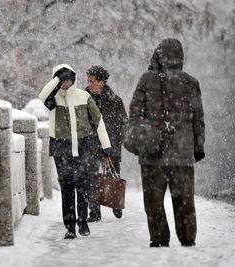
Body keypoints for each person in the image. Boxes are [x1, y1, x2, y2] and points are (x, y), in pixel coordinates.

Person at [128, 38, 205, 247]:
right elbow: (198, 119)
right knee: (185, 201)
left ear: (158, 54)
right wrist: (198, 147)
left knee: (153, 201)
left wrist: (143, 136)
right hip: (183, 152)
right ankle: (188, 238)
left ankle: (160, 238)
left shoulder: (146, 80)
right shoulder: (190, 82)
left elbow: (134, 113)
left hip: (153, 154)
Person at [39, 64, 112, 239]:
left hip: (84, 146)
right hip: (61, 148)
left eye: (69, 79)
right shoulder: (53, 99)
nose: (66, 83)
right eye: (62, 80)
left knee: (83, 185)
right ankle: (70, 226)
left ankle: (83, 220)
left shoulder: (84, 96)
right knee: (67, 187)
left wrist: (106, 145)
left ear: (74, 79)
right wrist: (58, 78)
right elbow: (42, 96)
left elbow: (98, 121)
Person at [85, 65, 128, 222]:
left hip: (111, 146)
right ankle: (94, 212)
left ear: (101, 82)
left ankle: (115, 203)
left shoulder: (115, 101)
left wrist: (112, 147)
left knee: (112, 175)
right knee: (91, 177)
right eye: (88, 80)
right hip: (89, 145)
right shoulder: (84, 100)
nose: (89, 84)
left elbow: (123, 125)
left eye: (92, 81)